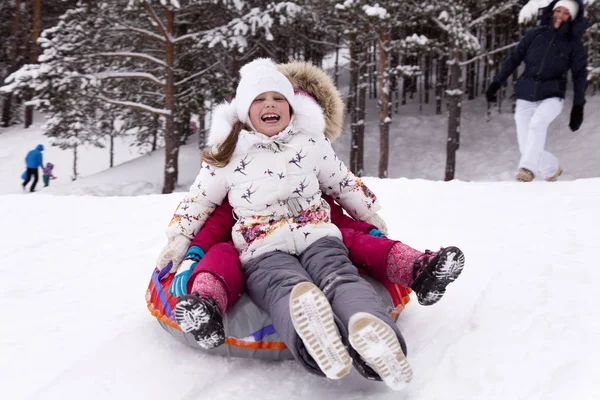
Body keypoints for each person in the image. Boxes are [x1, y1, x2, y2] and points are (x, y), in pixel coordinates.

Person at [155, 59, 464, 390]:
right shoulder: (229, 154)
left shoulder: (312, 142)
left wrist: (369, 213)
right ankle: (313, 341)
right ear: (245, 111)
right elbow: (200, 202)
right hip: (262, 247)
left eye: (278, 99)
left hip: (318, 235)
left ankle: (373, 331)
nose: (270, 105)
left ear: (292, 107)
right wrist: (178, 240)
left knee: (341, 278)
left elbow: (343, 183)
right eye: (259, 100)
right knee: (284, 288)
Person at [165, 195, 464, 351]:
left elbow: (336, 216)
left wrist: (369, 230)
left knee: (356, 241)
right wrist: (193, 254)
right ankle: (205, 306)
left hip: (314, 234)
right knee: (220, 256)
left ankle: (418, 270)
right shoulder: (238, 188)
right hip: (254, 244)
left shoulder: (306, 182)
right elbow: (215, 224)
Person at [485, 0, 588, 182]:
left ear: (571, 18)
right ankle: (551, 169)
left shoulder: (574, 44)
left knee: (537, 124)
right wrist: (497, 82)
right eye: (558, 11)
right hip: (525, 95)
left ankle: (526, 170)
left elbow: (580, 75)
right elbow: (514, 58)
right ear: (552, 12)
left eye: (566, 13)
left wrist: (578, 106)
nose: (560, 16)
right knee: (526, 146)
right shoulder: (534, 34)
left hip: (552, 96)